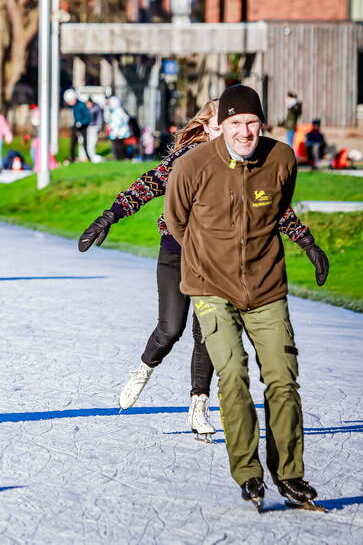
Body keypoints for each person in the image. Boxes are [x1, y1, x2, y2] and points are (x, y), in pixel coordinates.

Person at [79, 98, 325, 444]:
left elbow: (274, 207)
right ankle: (145, 368)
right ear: (207, 127)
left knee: (209, 331)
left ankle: (199, 404)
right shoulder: (186, 161)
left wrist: (307, 242)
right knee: (170, 328)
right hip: (177, 254)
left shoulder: (244, 167)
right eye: (219, 124)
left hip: (217, 261)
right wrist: (110, 216)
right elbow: (147, 185)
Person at [165, 84, 328, 511]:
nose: (244, 132)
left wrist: (307, 243)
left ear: (262, 123)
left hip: (266, 286)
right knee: (233, 374)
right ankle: (249, 473)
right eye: (235, 123)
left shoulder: (281, 159)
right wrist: (206, 262)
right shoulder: (194, 165)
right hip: (210, 288)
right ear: (222, 126)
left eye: (251, 123)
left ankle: (290, 475)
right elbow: (176, 222)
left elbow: (278, 209)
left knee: (282, 379)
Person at [64, 89, 91, 162]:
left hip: (83, 126)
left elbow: (88, 117)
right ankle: (72, 158)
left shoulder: (81, 105)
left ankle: (88, 157)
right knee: (73, 143)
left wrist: (81, 123)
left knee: (85, 143)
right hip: (76, 126)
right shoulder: (73, 107)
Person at [106, 96, 131, 160]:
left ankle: (120, 158)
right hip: (116, 132)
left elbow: (118, 122)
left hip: (118, 133)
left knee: (118, 147)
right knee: (117, 146)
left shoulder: (118, 111)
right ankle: (118, 158)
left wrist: (115, 130)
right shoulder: (114, 111)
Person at [86, 95, 104, 163]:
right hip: (86, 127)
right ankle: (85, 156)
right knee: (85, 142)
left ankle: (92, 155)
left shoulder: (96, 107)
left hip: (94, 126)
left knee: (93, 142)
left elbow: (99, 118)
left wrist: (99, 126)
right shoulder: (85, 108)